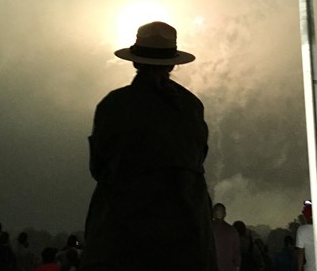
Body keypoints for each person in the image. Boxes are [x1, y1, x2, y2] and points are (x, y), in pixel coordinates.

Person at [79, 21, 217, 271]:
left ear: (134, 61)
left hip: (123, 234)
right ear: (173, 63)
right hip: (187, 233)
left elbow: (98, 167)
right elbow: (199, 157)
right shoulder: (191, 106)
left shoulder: (115, 105)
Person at [212, 203, 241, 271]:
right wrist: (237, 265)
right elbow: (236, 251)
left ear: (213, 214)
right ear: (225, 214)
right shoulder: (232, 230)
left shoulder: (207, 229)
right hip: (229, 267)